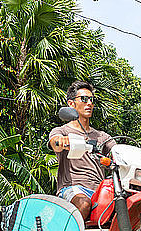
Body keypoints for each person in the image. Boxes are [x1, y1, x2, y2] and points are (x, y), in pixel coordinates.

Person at [48, 81, 115, 220]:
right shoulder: (63, 131)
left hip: (101, 191)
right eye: (84, 99)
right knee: (84, 204)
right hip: (73, 189)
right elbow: (54, 142)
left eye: (92, 99)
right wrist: (61, 141)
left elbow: (119, 153)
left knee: (132, 206)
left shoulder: (102, 136)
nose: (89, 103)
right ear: (71, 104)